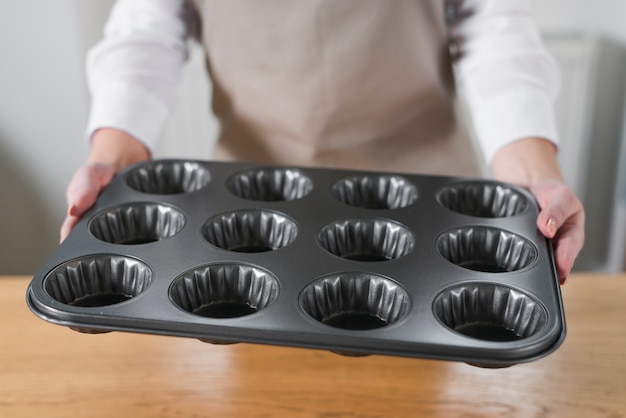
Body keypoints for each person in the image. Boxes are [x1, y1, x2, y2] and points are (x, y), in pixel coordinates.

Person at [61, 0, 585, 284]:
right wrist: (110, 160)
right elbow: (145, 36)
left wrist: (533, 169)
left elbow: (495, 30)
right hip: (249, 209)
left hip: (424, 204)